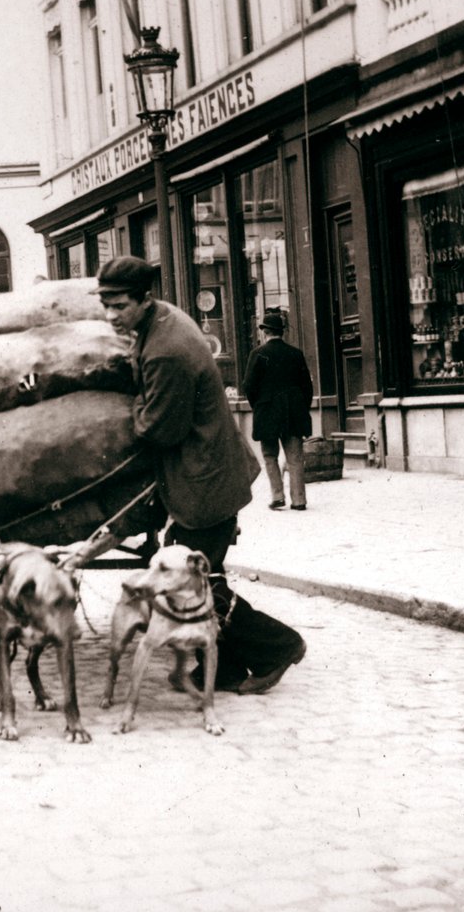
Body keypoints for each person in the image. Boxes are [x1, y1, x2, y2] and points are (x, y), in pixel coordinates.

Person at [94, 256, 306, 695]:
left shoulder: (165, 350)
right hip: (210, 470)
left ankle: (278, 644)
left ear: (143, 299)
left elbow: (161, 429)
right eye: (106, 305)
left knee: (192, 580)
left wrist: (124, 416)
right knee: (209, 574)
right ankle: (226, 668)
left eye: (119, 305)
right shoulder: (159, 323)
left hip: (203, 479)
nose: (111, 315)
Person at [244, 312, 313, 511]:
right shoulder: (296, 354)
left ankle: (277, 496)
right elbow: (307, 387)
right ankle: (299, 500)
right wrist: (302, 408)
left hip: (267, 410)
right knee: (295, 456)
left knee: (269, 454)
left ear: (265, 332)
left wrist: (257, 405)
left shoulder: (257, 354)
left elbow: (249, 386)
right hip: (293, 410)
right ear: (281, 332)